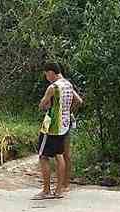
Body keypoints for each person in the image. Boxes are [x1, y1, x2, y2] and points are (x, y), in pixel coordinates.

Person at [32, 62, 82, 200]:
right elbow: (79, 101)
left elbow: (42, 105)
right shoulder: (68, 84)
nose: (46, 77)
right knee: (60, 155)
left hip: (51, 126)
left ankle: (46, 190)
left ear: (51, 72)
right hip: (65, 124)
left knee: (43, 156)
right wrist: (68, 111)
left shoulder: (53, 87)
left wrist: (46, 103)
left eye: (46, 74)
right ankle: (60, 189)